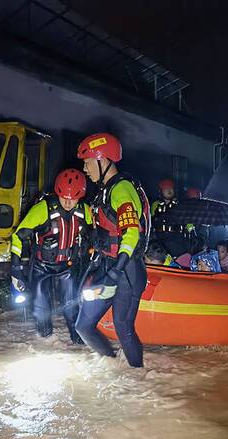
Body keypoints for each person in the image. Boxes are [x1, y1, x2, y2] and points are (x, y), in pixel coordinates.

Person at [75, 133, 150, 368]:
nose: (85, 170)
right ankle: (110, 367)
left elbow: (131, 232)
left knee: (123, 327)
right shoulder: (104, 191)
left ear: (103, 160)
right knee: (83, 325)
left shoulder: (122, 190)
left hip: (126, 270)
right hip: (107, 266)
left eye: (87, 163)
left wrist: (116, 271)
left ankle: (138, 378)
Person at [11, 168, 92, 343]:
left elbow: (95, 235)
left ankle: (78, 340)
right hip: (41, 266)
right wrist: (16, 269)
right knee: (40, 307)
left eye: (73, 199)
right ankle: (46, 339)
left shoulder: (85, 211)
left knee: (71, 305)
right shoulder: (43, 209)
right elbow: (18, 236)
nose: (68, 203)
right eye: (64, 198)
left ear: (81, 196)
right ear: (58, 192)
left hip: (67, 267)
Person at [151, 178, 190, 256]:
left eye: (171, 188)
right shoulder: (155, 205)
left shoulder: (180, 205)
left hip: (177, 240)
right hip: (160, 239)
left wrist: (191, 232)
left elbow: (188, 222)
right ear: (161, 191)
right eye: (166, 188)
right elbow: (152, 222)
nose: (169, 190)